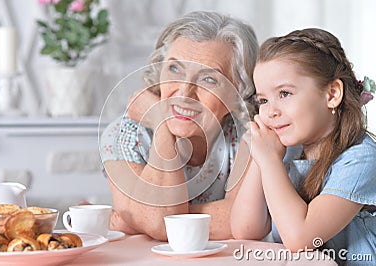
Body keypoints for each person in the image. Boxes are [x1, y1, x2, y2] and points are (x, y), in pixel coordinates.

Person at [100, 11, 258, 240]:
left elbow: (241, 222)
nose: (184, 93)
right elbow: (156, 220)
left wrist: (146, 218)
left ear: (238, 93)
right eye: (174, 69)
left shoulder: (251, 137)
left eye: (209, 79)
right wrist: (161, 123)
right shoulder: (122, 135)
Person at [230, 28, 376, 264]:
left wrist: (269, 162)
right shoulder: (285, 151)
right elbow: (246, 229)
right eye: (263, 100)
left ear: (332, 94)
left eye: (285, 93)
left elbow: (301, 238)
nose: (271, 111)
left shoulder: (361, 159)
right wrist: (261, 157)